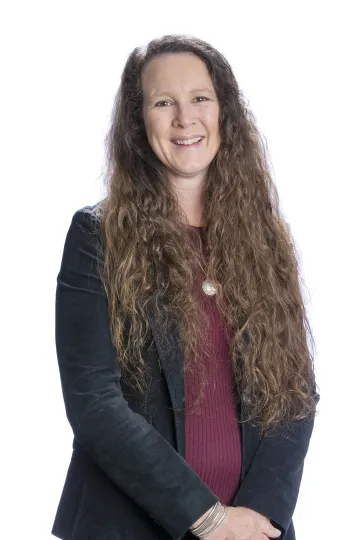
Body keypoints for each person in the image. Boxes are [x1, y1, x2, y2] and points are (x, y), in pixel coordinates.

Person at [51, 34, 320, 540]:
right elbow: (94, 403)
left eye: (200, 98)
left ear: (225, 113)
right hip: (125, 527)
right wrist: (207, 518)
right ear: (138, 121)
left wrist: (260, 517)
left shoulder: (263, 239)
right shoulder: (96, 238)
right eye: (162, 102)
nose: (184, 117)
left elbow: (295, 392)